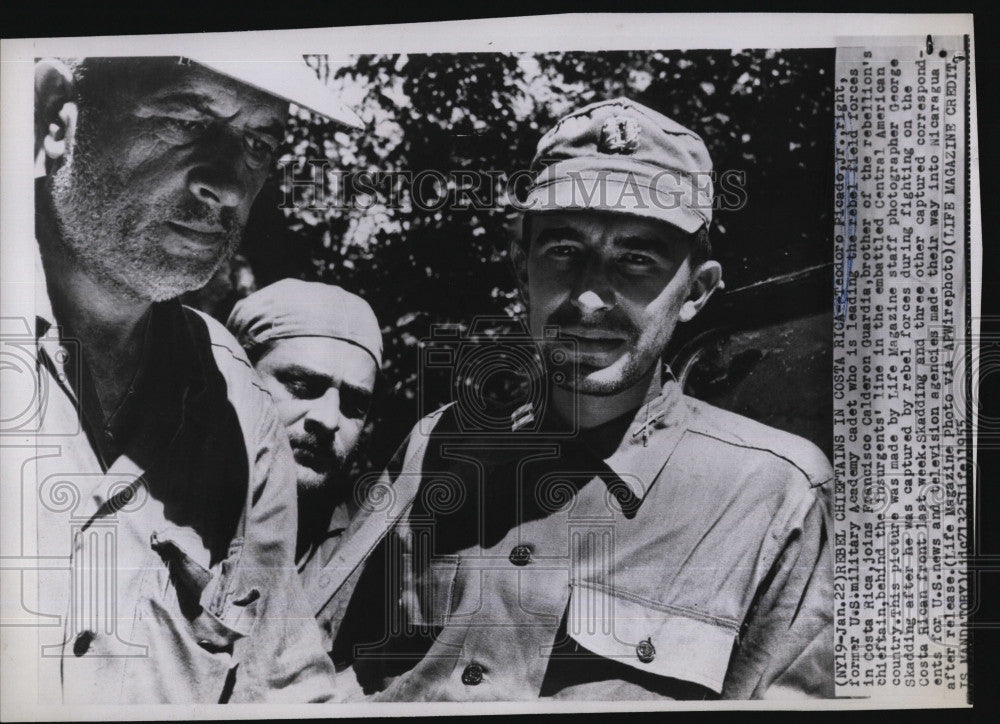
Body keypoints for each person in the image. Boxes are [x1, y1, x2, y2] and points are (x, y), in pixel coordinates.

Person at [331, 97, 834, 700]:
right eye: (564, 251)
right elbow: (327, 667)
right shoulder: (438, 446)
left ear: (697, 291)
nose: (592, 297)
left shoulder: (775, 496)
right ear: (521, 269)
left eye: (637, 259)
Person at [17, 56, 362, 704]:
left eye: (259, 143)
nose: (229, 186)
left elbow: (282, 683)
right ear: (55, 115)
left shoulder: (238, 402)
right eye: (185, 120)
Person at [226, 279, 382, 651]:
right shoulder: (151, 519)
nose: (329, 420)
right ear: (236, 378)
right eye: (300, 385)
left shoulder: (372, 571)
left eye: (354, 405)